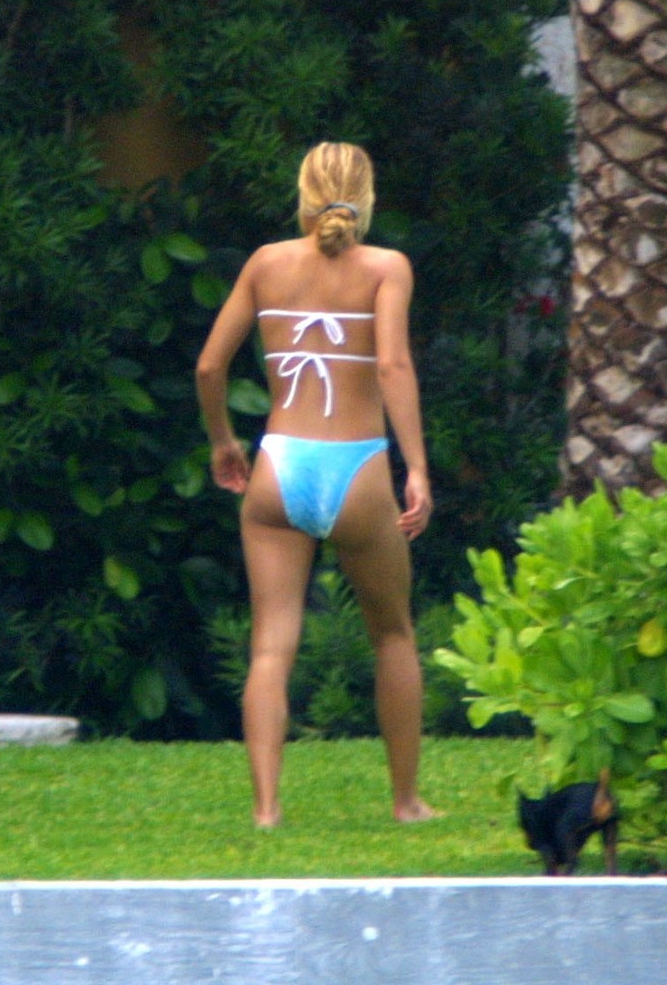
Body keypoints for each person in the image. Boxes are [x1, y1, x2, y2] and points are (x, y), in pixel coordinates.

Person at [196, 142, 436, 827]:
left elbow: (210, 368)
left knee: (271, 647)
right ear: (367, 197)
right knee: (392, 635)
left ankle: (267, 810)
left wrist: (223, 441)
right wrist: (417, 468)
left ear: (302, 195)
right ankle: (406, 802)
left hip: (279, 465)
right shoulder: (387, 268)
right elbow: (391, 367)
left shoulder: (266, 263)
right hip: (357, 468)